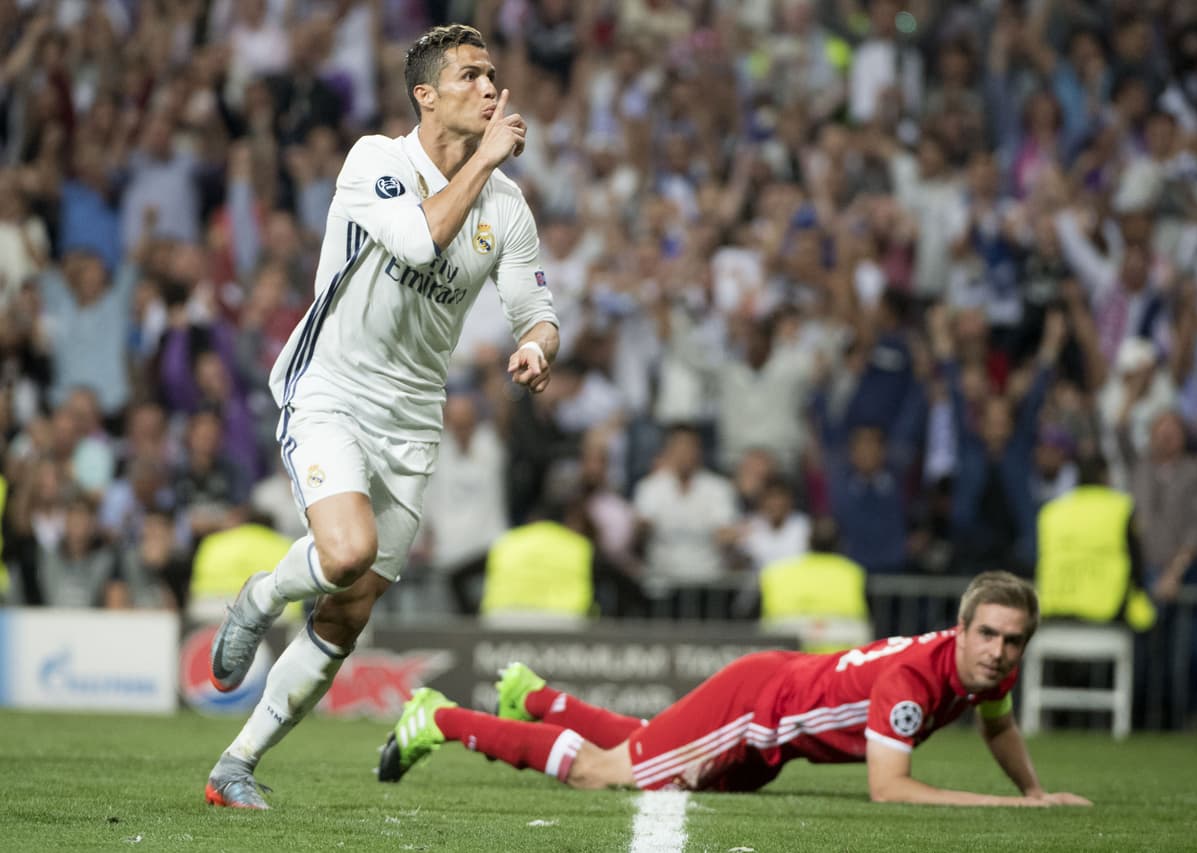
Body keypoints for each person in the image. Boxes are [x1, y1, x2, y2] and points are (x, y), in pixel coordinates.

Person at [204, 23, 559, 809]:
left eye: (494, 75)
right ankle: (260, 598)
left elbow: (537, 307)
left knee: (351, 603)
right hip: (330, 387)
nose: (491, 88)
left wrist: (538, 345)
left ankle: (237, 763)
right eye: (471, 76)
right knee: (346, 548)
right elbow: (423, 240)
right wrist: (490, 159)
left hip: (411, 419)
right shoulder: (377, 162)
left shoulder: (508, 206)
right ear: (426, 97)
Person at [378, 571, 1092, 807]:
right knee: (612, 775)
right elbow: (890, 787)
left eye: (1014, 639)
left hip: (775, 732)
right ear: (961, 628)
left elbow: (998, 727)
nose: (1000, 652)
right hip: (759, 710)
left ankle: (537, 701)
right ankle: (442, 718)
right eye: (990, 635)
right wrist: (1016, 810)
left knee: (650, 750)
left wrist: (1032, 789)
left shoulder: (981, 671)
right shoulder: (915, 679)